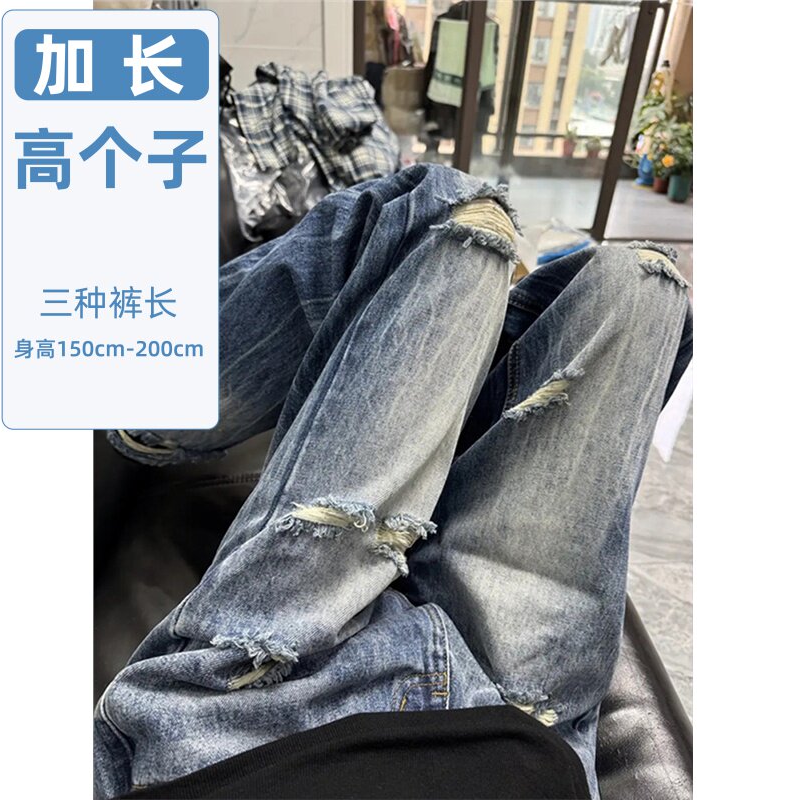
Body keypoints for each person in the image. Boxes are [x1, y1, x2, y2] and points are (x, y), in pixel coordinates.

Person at [95, 164, 692, 800]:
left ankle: (153, 399)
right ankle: (487, 363)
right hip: (520, 725)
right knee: (644, 288)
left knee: (446, 213)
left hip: (248, 712)